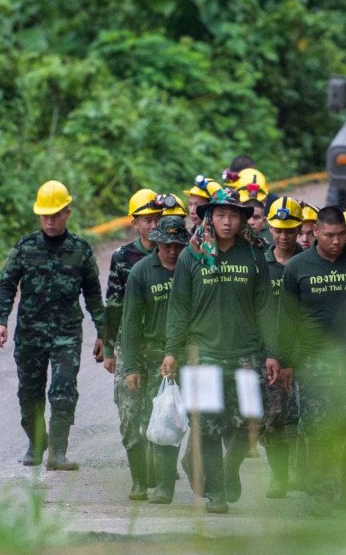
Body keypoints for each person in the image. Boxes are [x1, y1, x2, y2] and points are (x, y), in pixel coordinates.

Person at [161, 187, 278, 514]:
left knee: (248, 421)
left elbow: (266, 305)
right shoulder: (192, 255)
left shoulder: (254, 255)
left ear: (242, 219)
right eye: (221, 214)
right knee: (208, 425)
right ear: (210, 216)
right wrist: (172, 350)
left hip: (245, 354)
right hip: (203, 356)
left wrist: (272, 352)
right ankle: (216, 493)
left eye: (234, 215)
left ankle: (228, 471)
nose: (227, 221)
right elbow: (179, 306)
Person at [278, 206, 346, 516]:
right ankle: (322, 493)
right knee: (318, 428)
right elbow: (287, 317)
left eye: (341, 235)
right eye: (329, 236)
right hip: (315, 362)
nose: (337, 242)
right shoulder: (298, 267)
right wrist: (285, 360)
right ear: (314, 232)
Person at [0, 180, 104, 470]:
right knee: (30, 392)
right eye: (45, 215)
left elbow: (93, 294)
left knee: (63, 389)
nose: (50, 221)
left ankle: (59, 451)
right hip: (31, 333)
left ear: (68, 212)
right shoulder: (25, 247)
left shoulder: (80, 250)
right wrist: (1, 321)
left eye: (55, 215)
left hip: (67, 333)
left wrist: (105, 333)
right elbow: (7, 285)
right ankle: (36, 443)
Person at [120, 215, 189, 504]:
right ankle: (142, 481)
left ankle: (164, 486)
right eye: (166, 245)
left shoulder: (192, 269)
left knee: (170, 419)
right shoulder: (141, 272)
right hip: (150, 356)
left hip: (185, 355)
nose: (171, 251)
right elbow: (131, 321)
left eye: (177, 245)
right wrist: (132, 366)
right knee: (144, 418)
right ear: (157, 242)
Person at [104, 189, 164, 497]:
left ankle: (157, 473)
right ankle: (139, 479)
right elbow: (113, 302)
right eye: (146, 220)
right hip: (128, 345)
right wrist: (107, 346)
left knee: (159, 413)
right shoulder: (122, 257)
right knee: (129, 416)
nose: (152, 226)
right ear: (135, 223)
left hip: (160, 347)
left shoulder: (172, 254)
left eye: (156, 219)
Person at [261, 197, 304, 499]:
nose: (284, 236)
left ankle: (305, 474)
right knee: (274, 417)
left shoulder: (310, 263)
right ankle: (279, 476)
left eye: (290, 230)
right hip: (271, 355)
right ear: (270, 228)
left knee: (305, 417)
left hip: (306, 353)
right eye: (278, 230)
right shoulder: (259, 266)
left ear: (300, 229)